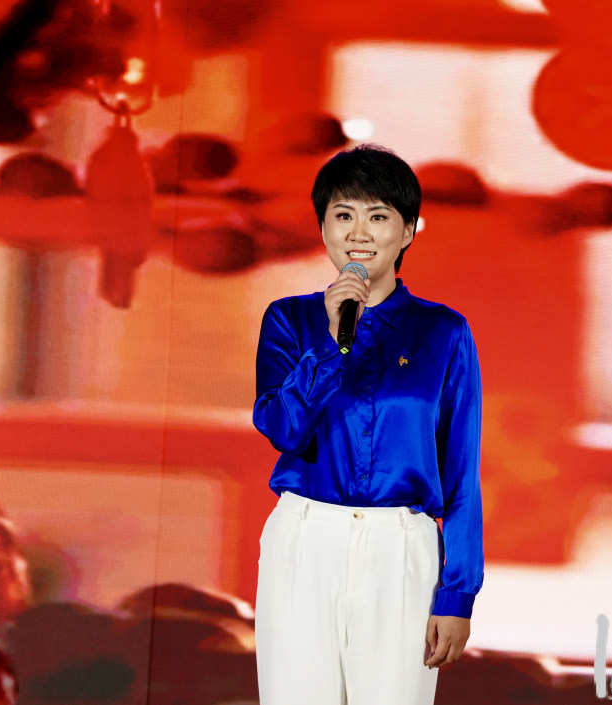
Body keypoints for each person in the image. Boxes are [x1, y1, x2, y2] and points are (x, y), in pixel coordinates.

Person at [252, 144, 483, 705]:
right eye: (343, 215)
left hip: (400, 547)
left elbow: (460, 470)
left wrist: (457, 594)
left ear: (407, 231)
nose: (359, 232)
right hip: (306, 538)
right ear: (323, 228)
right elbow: (282, 428)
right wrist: (331, 342)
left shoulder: (444, 332)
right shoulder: (289, 319)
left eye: (378, 216)